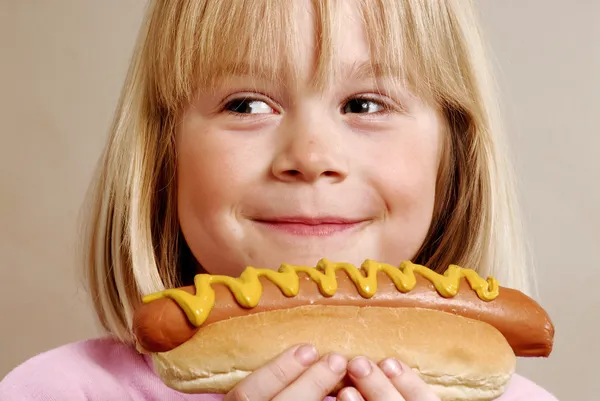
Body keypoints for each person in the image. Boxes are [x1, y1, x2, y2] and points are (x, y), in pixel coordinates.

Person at [0, 0, 559, 400]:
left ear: (453, 155)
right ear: (162, 151)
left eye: (365, 105)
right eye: (246, 104)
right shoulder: (56, 390)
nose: (310, 155)